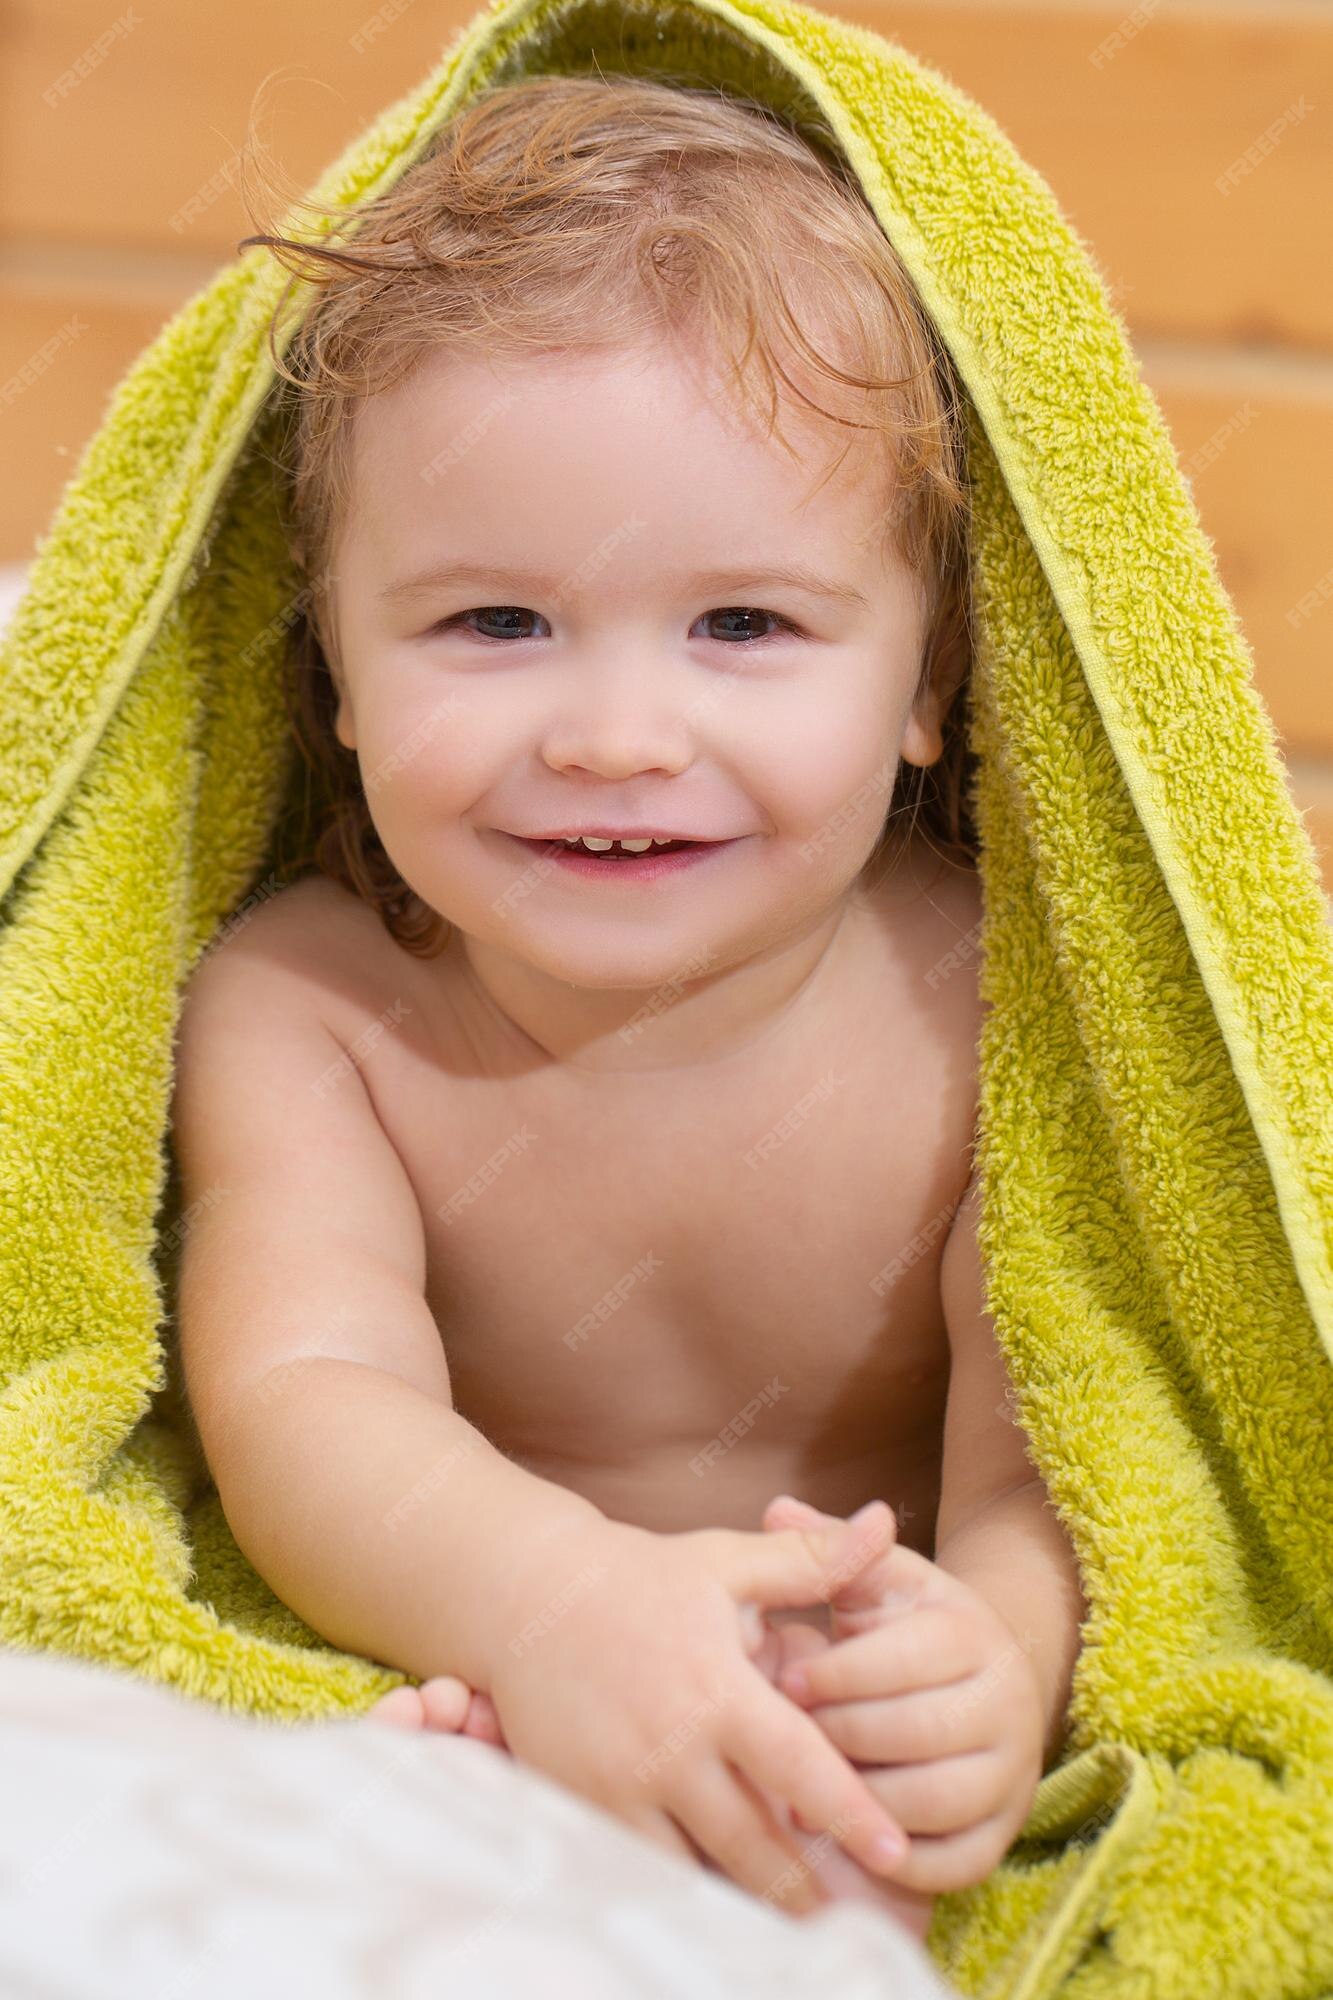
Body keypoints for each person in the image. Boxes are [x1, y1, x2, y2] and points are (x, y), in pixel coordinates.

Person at [170, 71, 1087, 1938]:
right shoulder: (310, 1014)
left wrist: (986, 1663)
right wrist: (545, 1610)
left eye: (742, 626)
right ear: (331, 668)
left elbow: (1061, 1441)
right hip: (458, 1653)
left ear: (929, 682)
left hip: (848, 1683)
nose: (612, 737)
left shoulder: (999, 1006)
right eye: (493, 625)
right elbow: (298, 1395)